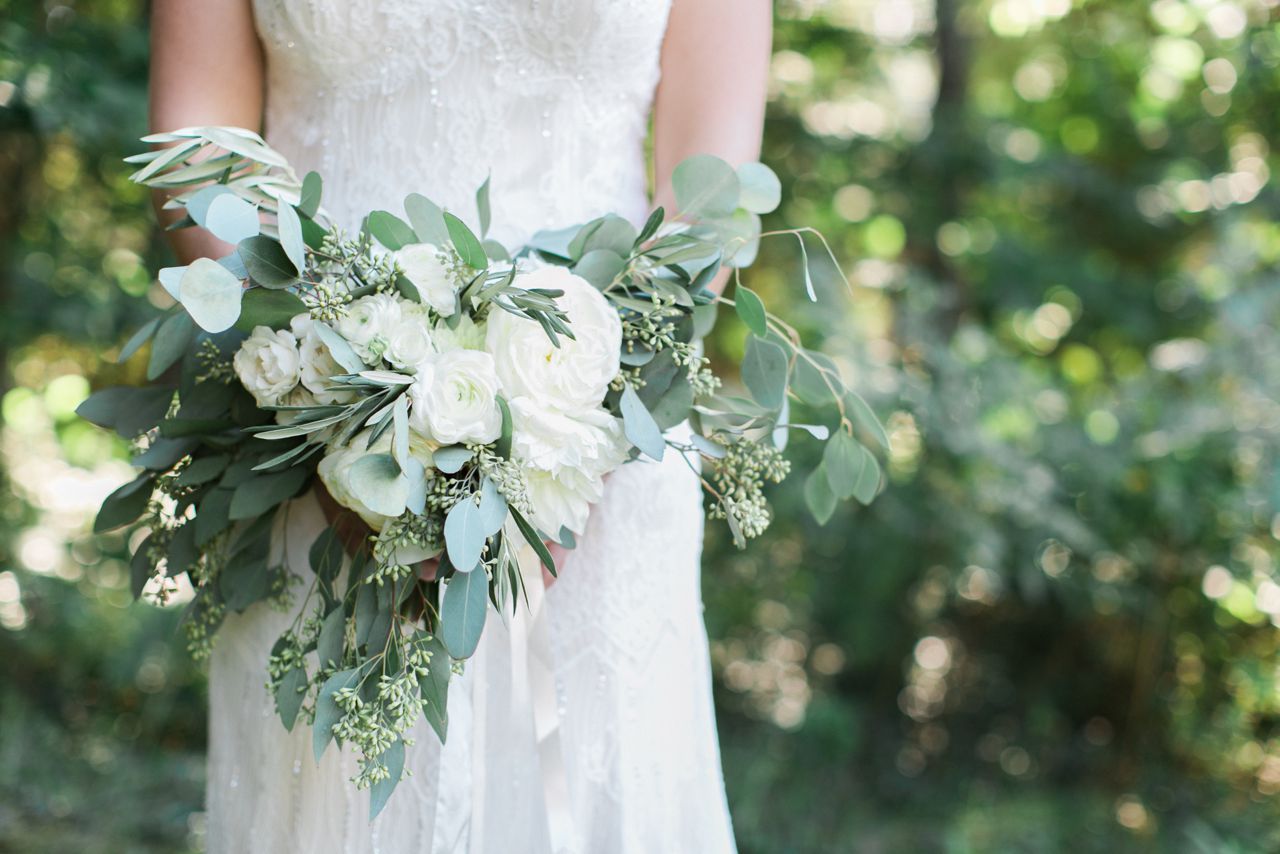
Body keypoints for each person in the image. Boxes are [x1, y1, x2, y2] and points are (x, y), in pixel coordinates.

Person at [149, 2, 770, 851]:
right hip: (312, 451)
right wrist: (332, 410)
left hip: (603, 463)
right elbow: (200, 155)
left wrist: (570, 442)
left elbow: (710, 192)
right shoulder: (318, 416)